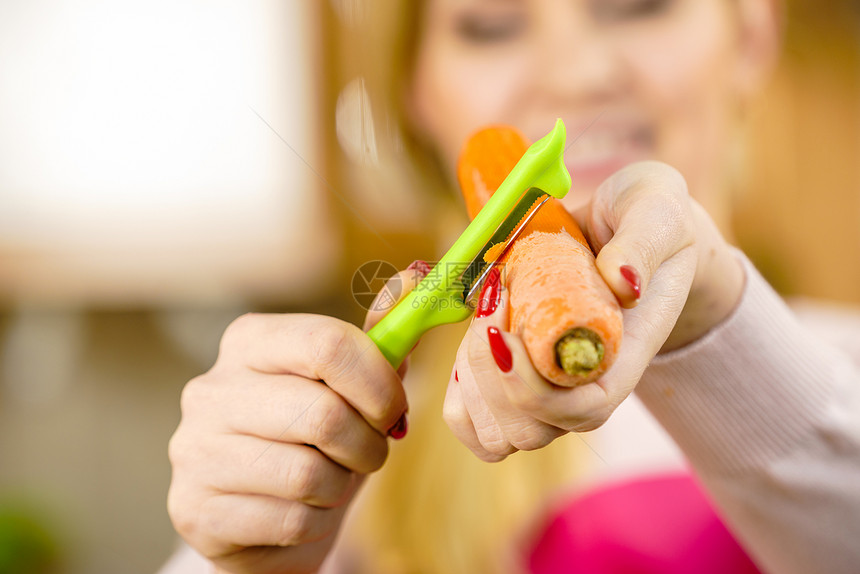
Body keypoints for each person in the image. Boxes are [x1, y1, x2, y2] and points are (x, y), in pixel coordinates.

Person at [161, 1, 860, 573]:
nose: (578, 73)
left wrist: (713, 324)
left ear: (750, 37)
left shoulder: (842, 373)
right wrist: (251, 565)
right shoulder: (346, 454)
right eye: (490, 25)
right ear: (415, 90)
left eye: (637, 7)